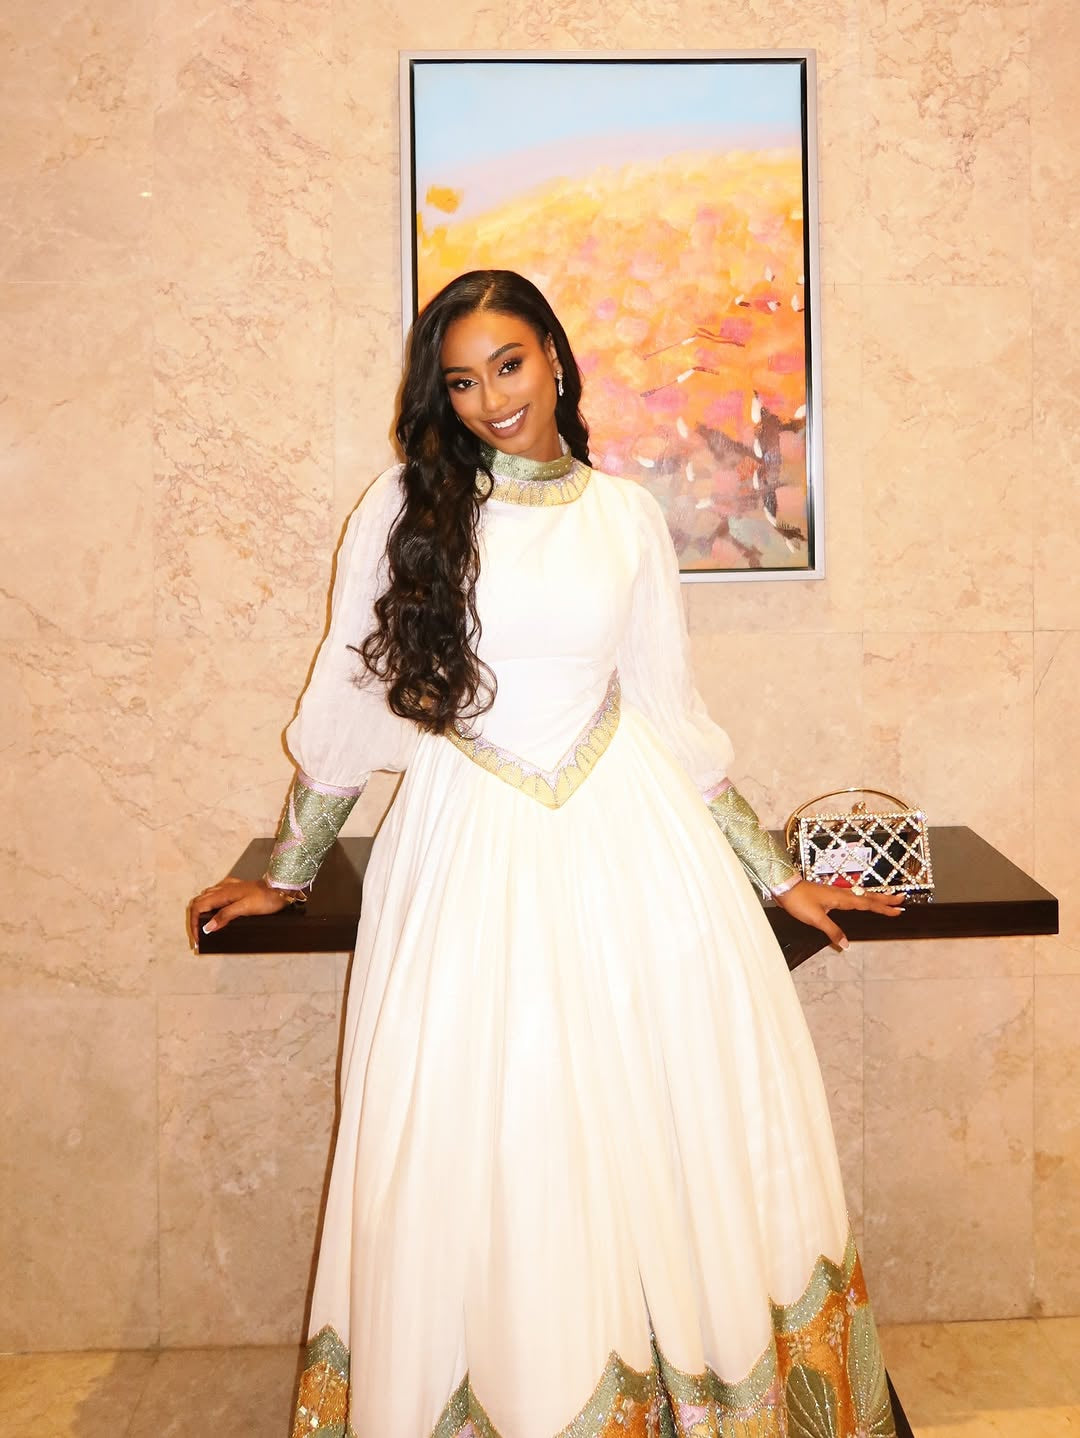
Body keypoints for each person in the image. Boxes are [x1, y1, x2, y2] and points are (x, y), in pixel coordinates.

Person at [190, 270, 902, 1438]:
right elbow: (348, 691)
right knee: (496, 1122)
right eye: (461, 379)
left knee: (664, 1118)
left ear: (557, 361)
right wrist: (288, 865)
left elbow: (672, 712)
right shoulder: (404, 508)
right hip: (468, 841)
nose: (488, 398)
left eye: (507, 365)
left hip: (634, 843)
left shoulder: (624, 516)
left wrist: (778, 871)